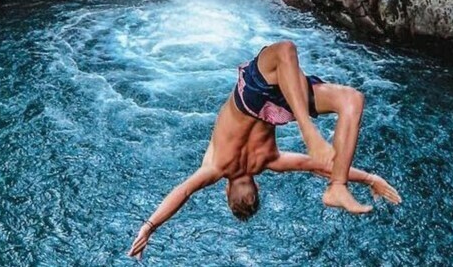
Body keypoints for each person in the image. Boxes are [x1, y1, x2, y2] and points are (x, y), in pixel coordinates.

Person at [128, 40, 401, 259]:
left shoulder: (269, 160)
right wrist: (148, 226)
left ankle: (338, 186)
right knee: (286, 51)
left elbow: (317, 166)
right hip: (252, 99)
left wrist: (370, 178)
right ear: (226, 191)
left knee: (351, 100)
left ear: (257, 186)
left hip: (277, 108)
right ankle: (312, 137)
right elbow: (183, 190)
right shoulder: (217, 167)